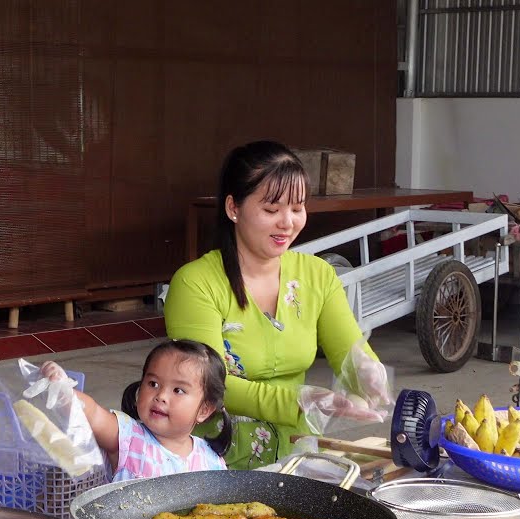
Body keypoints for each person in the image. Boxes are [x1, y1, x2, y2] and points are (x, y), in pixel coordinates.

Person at [164, 140, 391, 469]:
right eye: (271, 210)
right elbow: (208, 384)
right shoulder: (195, 283)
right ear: (233, 208)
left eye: (297, 208)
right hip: (215, 455)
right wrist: (301, 400)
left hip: (297, 452)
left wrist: (369, 372)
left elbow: (350, 352)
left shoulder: (317, 275)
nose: (288, 222)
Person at [39, 340, 229, 482]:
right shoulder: (128, 438)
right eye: (153, 383)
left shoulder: (211, 461)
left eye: (178, 390)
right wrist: (64, 390)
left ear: (204, 409)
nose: (161, 395)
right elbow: (93, 415)